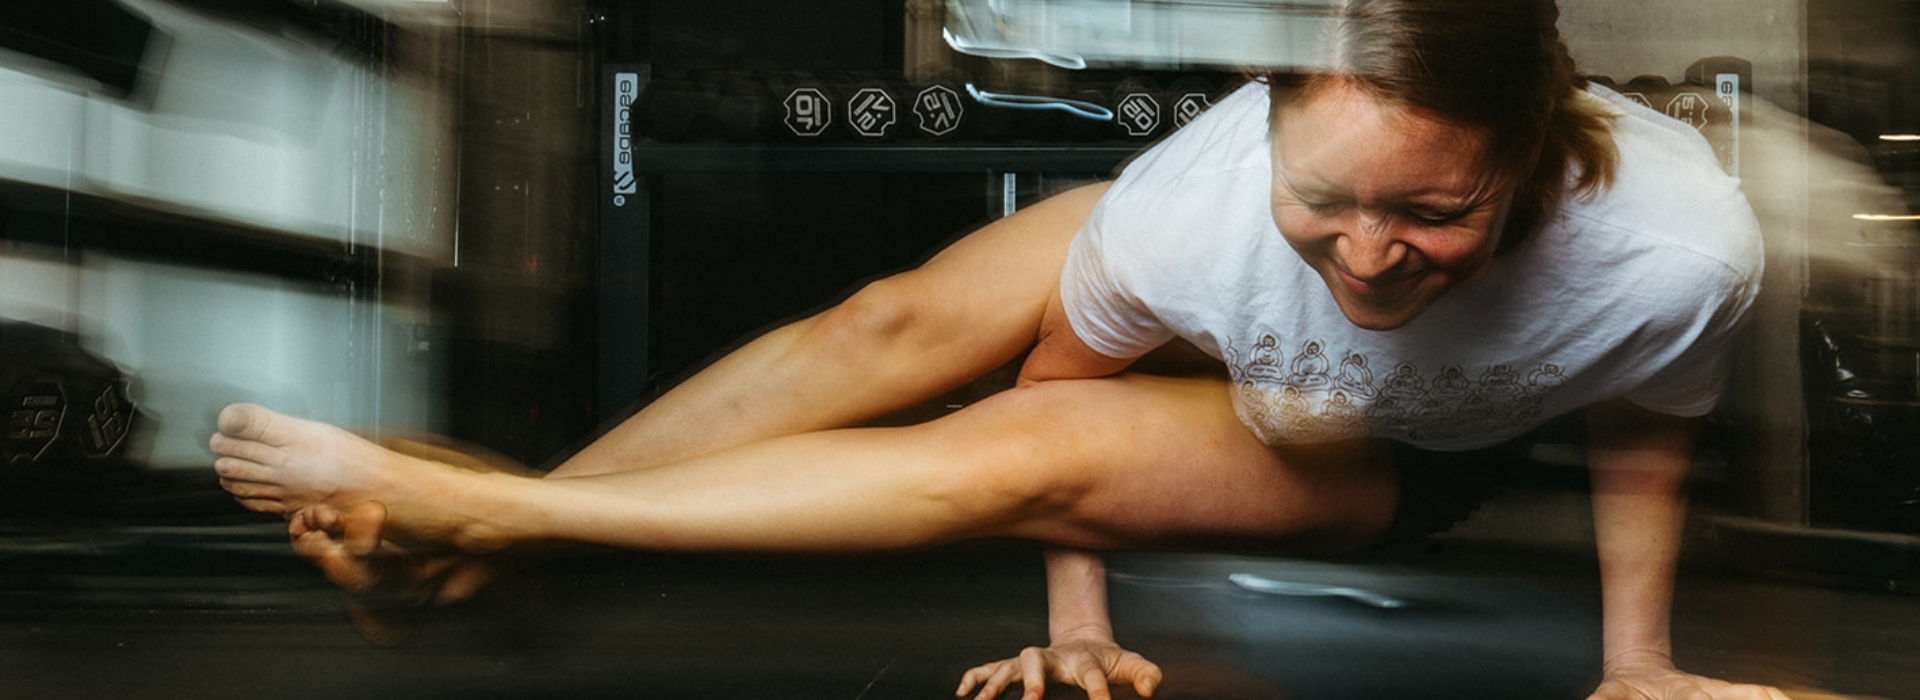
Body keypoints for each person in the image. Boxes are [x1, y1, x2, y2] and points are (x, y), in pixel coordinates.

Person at [210, 1, 1791, 698]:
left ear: (1524, 157)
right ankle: (473, 552)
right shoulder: (1199, 206)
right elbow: (1067, 376)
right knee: (890, 327)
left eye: (1432, 215)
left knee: (990, 466)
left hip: (1374, 442)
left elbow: (1643, 424)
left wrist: (1633, 665)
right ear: (1272, 151)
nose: (1370, 255)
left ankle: (496, 522)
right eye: (1327, 202)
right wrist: (1082, 625)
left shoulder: (1673, 247)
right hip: (1202, 303)